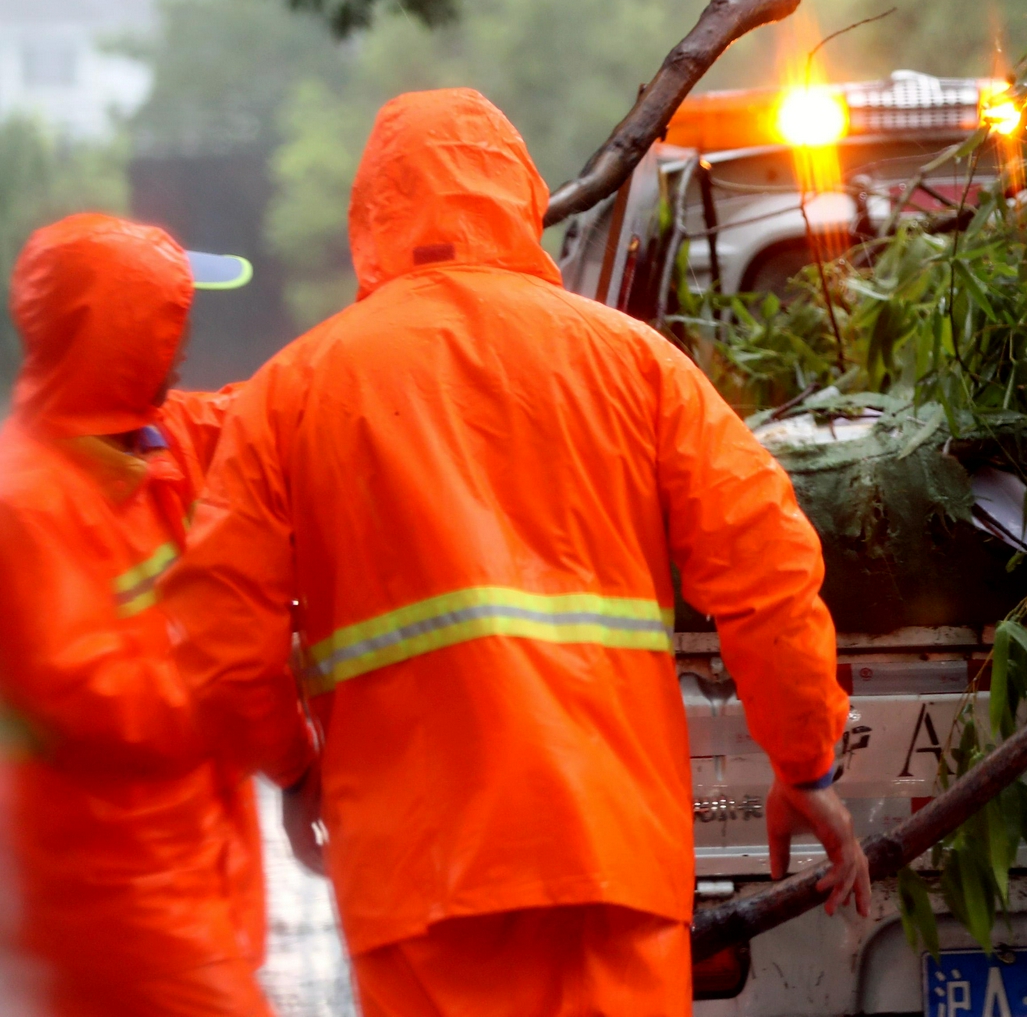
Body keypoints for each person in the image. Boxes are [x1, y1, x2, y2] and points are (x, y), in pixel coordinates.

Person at [162, 88, 868, 1017]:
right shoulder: (638, 364)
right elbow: (767, 565)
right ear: (521, 195)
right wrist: (804, 762)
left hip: (418, 874)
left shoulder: (293, 392)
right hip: (611, 854)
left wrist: (295, 767)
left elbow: (217, 634)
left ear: (370, 216)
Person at [0, 214, 267, 1017]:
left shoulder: (147, 441)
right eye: (171, 319)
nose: (184, 342)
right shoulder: (28, 502)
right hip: (110, 888)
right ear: (130, 337)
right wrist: (241, 670)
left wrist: (392, 324)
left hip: (182, 861)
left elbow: (275, 405)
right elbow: (97, 692)